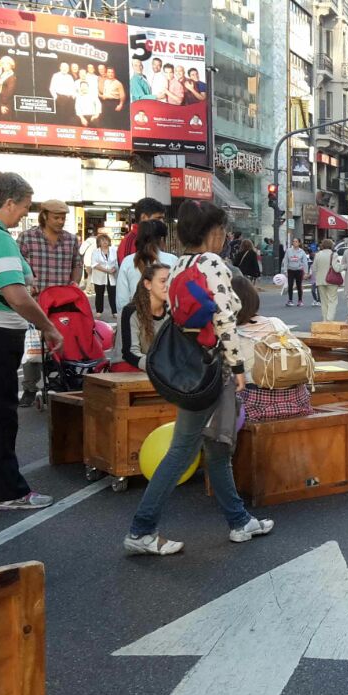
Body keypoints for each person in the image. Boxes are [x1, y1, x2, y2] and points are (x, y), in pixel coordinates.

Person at [124, 200, 274, 556]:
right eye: (222, 231)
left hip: (192, 366)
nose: (224, 238)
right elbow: (224, 318)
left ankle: (239, 521)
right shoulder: (211, 263)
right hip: (214, 368)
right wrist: (237, 368)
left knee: (217, 447)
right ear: (214, 232)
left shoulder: (179, 267)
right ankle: (142, 529)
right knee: (183, 450)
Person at [0, 173, 65, 511]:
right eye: (22, 207)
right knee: (0, 413)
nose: (24, 213)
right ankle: (9, 492)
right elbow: (17, 295)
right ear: (7, 203)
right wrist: (48, 326)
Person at [16, 199, 82, 407]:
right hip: (34, 302)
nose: (61, 221)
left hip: (62, 303)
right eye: (56, 217)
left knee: (61, 343)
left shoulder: (71, 240)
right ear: (44, 215)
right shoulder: (27, 238)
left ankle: (61, 380)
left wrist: (74, 282)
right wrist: (27, 283)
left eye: (63, 217)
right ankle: (29, 387)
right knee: (33, 348)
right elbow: (17, 264)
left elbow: (77, 264)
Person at [109, 262, 169, 372]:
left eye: (171, 281)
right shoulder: (130, 312)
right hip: (127, 370)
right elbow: (130, 353)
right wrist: (161, 366)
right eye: (163, 281)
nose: (168, 285)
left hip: (159, 370)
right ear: (148, 284)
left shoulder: (172, 312)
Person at [116, 220, 176, 311]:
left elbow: (121, 300)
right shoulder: (172, 260)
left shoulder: (128, 262)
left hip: (135, 319)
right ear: (161, 239)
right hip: (166, 320)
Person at [116, 197, 166, 264]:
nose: (162, 222)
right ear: (143, 217)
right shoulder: (130, 242)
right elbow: (130, 270)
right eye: (158, 218)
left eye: (163, 218)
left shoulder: (154, 238)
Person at [312, 239, 342, 322]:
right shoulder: (333, 255)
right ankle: (330, 318)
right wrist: (343, 267)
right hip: (331, 280)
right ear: (331, 245)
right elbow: (336, 268)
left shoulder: (317, 254)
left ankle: (325, 319)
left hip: (320, 280)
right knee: (332, 300)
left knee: (324, 301)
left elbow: (314, 268)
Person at [91, 234, 118, 317]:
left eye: (106, 240)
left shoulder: (114, 250)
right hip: (99, 275)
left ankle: (114, 311)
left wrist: (114, 268)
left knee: (113, 293)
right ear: (99, 243)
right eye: (102, 240)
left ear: (109, 241)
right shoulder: (95, 252)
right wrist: (107, 270)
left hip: (112, 275)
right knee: (99, 293)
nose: (104, 242)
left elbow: (118, 261)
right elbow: (94, 264)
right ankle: (99, 311)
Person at [283, 238, 310, 307]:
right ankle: (290, 300)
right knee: (290, 285)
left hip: (299, 270)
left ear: (299, 243)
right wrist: (285, 270)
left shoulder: (302, 252)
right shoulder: (288, 251)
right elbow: (285, 261)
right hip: (290, 270)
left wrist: (306, 272)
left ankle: (300, 300)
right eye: (293, 241)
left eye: (296, 241)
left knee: (299, 286)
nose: (294, 243)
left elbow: (305, 262)